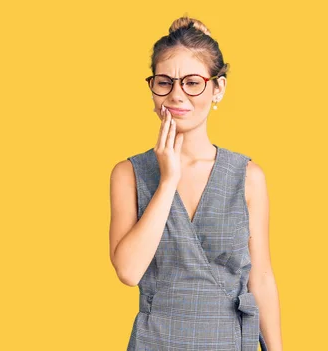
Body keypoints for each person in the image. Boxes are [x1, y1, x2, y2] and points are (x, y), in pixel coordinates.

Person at [109, 15, 282, 351]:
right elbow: (128, 271)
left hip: (229, 340)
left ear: (217, 88)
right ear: (152, 88)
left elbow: (260, 278)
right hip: (154, 340)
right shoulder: (128, 173)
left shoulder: (248, 177)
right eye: (164, 82)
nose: (176, 95)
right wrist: (167, 180)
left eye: (192, 82)